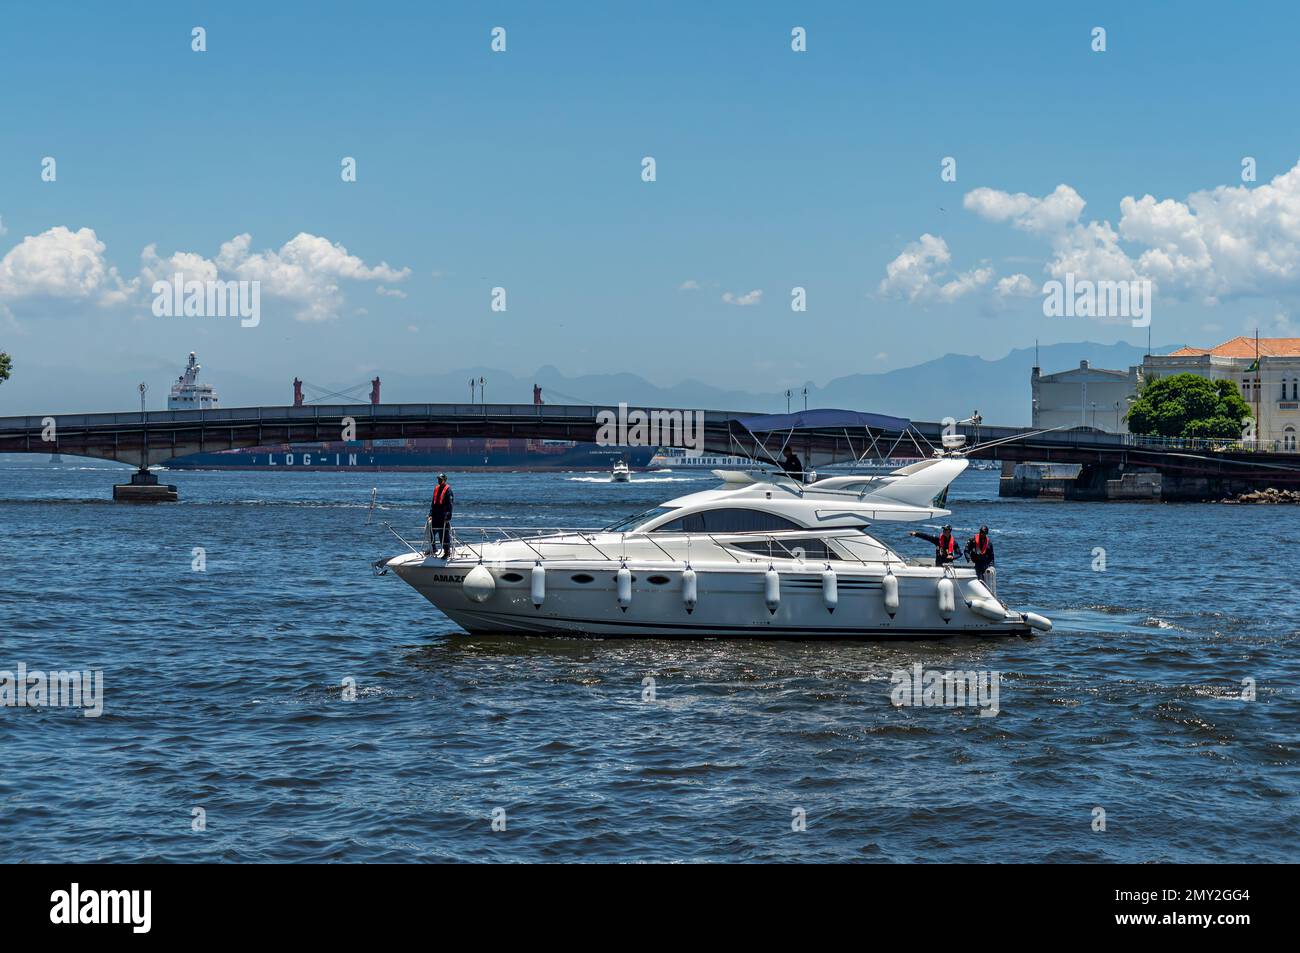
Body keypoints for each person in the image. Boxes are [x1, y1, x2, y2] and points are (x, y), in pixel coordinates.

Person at [427, 473, 454, 558]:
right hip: (435, 516)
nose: (439, 480)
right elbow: (433, 503)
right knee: (430, 533)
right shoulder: (436, 489)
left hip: (443, 517)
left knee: (444, 535)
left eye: (440, 479)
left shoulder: (448, 490)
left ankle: (447, 552)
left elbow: (450, 505)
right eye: (438, 479)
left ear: (444, 480)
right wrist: (430, 514)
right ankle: (433, 549)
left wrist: (448, 516)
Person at [965, 525, 996, 595]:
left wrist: (991, 566)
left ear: (986, 533)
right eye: (981, 532)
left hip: (984, 565)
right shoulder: (972, 540)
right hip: (974, 564)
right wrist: (969, 560)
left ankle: (983, 594)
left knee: (983, 582)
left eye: (984, 533)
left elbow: (991, 556)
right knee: (975, 581)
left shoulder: (989, 543)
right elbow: (966, 551)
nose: (982, 534)